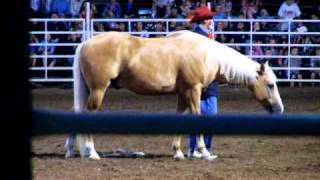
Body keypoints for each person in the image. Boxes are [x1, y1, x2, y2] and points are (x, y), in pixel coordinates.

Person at [187, 6, 219, 160]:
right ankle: (197, 148)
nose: (211, 21)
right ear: (203, 21)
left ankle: (198, 148)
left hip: (210, 82)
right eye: (209, 18)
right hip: (203, 81)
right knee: (205, 115)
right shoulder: (198, 37)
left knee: (204, 116)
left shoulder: (207, 36)